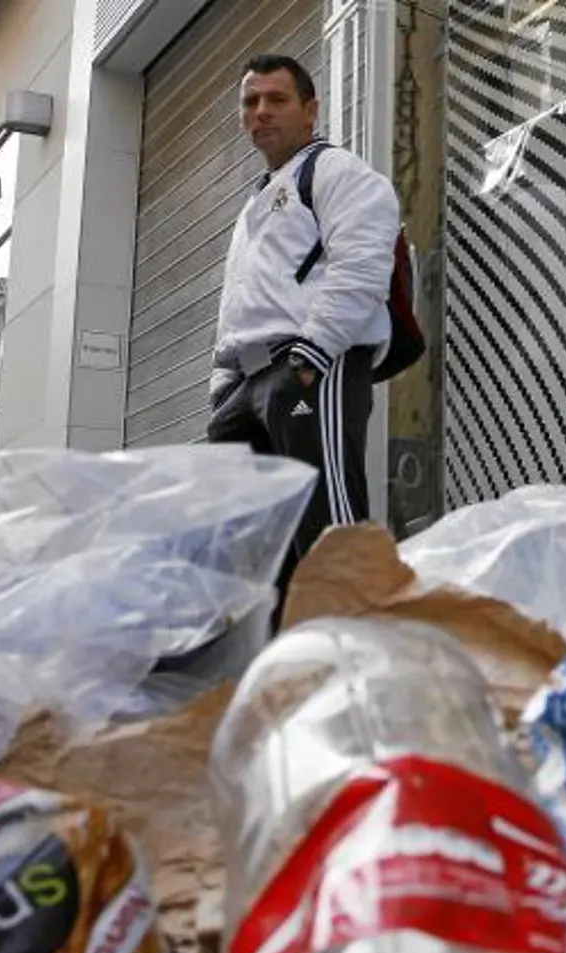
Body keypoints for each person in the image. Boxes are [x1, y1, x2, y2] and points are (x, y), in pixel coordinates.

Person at [208, 53, 400, 598]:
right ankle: (286, 668)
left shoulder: (335, 172)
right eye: (250, 102)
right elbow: (241, 300)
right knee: (257, 550)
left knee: (330, 535)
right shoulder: (258, 198)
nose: (261, 111)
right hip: (245, 385)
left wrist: (310, 360)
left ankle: (356, 661)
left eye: (277, 99)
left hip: (310, 365)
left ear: (310, 110)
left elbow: (363, 267)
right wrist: (223, 386)